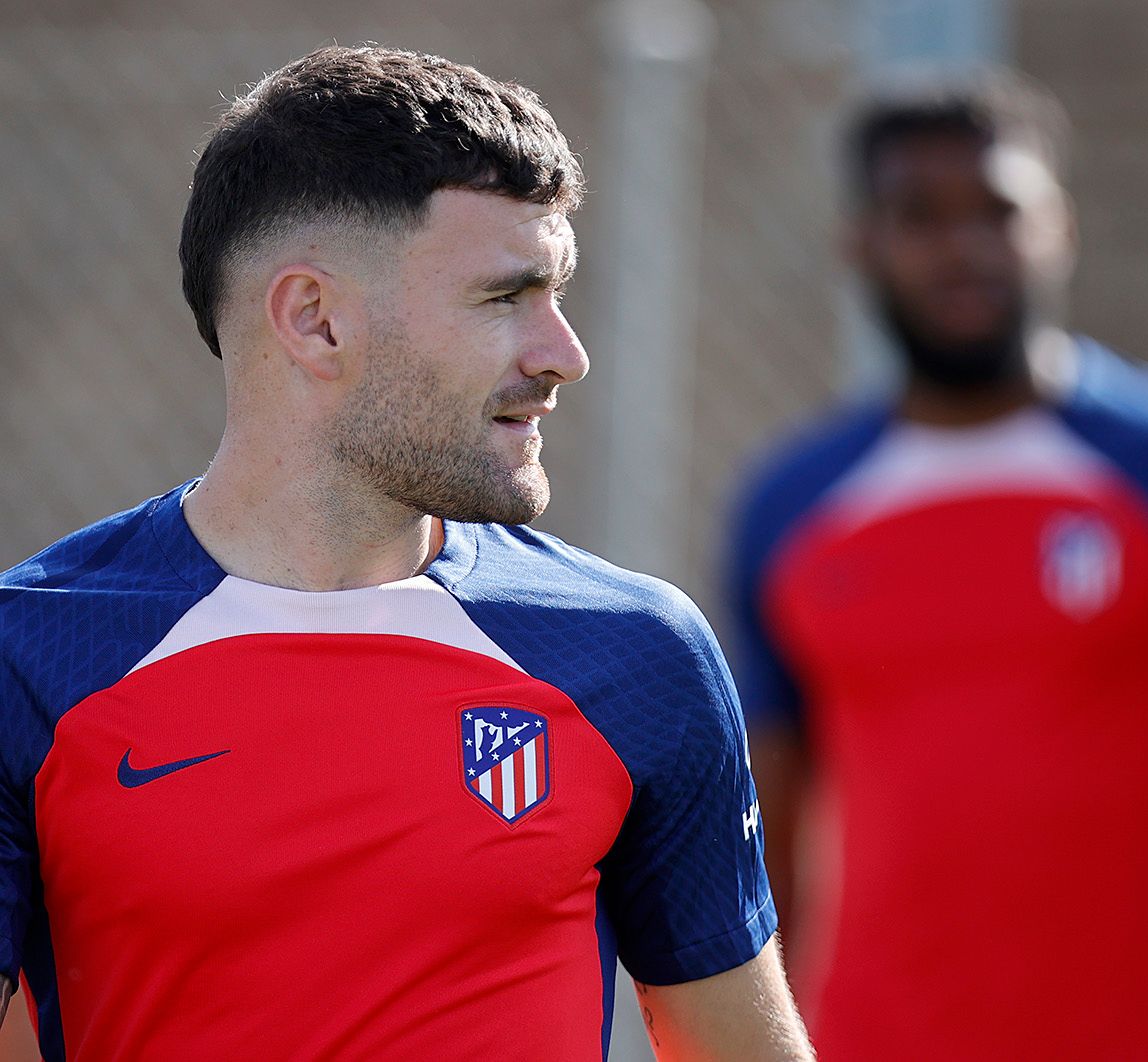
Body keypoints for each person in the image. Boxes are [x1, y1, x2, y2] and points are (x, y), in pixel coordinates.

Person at [0, 44, 813, 1061]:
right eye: (503, 297)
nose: (563, 352)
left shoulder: (637, 654)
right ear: (316, 320)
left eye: (556, 293)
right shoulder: (31, 655)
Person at [727, 68, 1148, 1061]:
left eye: (997, 210)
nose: (964, 247)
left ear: (1058, 227)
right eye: (920, 215)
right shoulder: (788, 506)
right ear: (859, 243)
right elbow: (763, 844)